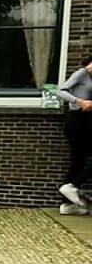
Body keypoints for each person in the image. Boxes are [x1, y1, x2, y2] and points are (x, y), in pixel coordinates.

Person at [57, 56, 92, 214]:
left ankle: (67, 205)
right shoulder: (81, 74)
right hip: (77, 121)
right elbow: (61, 91)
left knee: (78, 161)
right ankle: (72, 186)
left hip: (87, 121)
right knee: (80, 159)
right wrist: (80, 101)